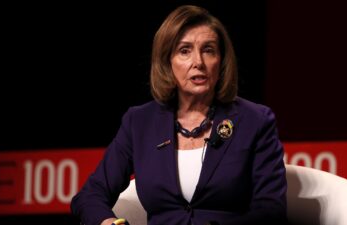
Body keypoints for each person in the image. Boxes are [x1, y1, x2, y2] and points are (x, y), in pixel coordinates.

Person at [71, 5, 287, 225]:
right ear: (167, 61)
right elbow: (90, 195)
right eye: (185, 51)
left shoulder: (255, 120)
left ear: (221, 61)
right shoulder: (139, 122)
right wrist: (110, 223)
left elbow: (270, 209)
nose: (198, 63)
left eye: (209, 50)